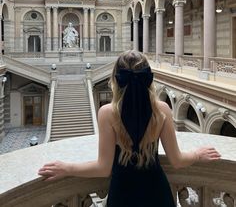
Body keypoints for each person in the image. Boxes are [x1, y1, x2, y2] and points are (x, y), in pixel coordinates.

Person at [38, 50, 221, 206]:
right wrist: (198, 154)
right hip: (157, 193)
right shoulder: (162, 110)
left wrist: (67, 168)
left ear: (115, 79)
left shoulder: (108, 113)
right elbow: (177, 160)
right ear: (148, 78)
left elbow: (103, 168)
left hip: (123, 195)